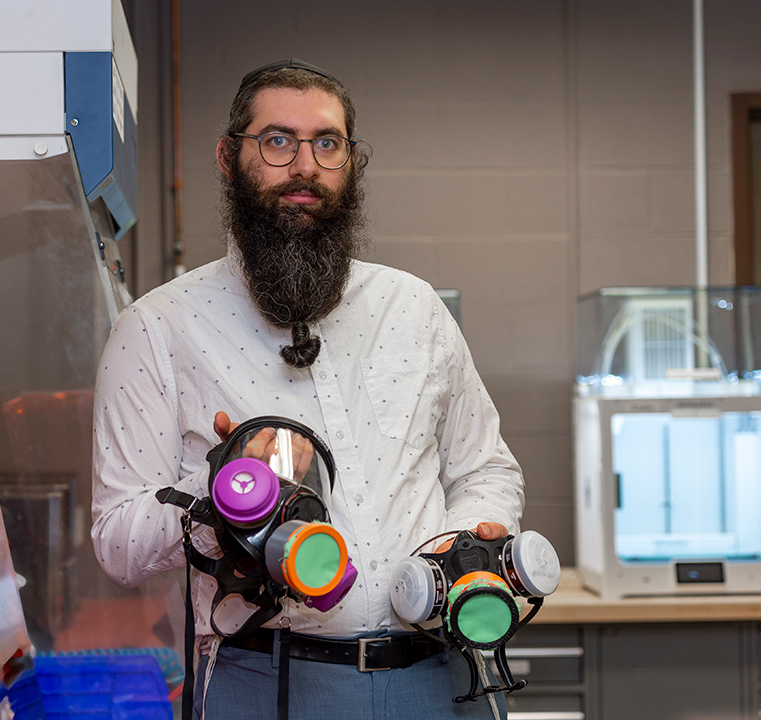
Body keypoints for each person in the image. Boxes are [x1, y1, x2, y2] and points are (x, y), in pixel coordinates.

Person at [91, 58, 525, 720]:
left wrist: (456, 548)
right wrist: (225, 512)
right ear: (228, 158)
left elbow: (487, 470)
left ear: (350, 162)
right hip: (264, 682)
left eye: (327, 143)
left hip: (438, 678)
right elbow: (116, 538)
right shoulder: (157, 327)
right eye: (277, 141)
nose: (304, 166)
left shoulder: (414, 307)